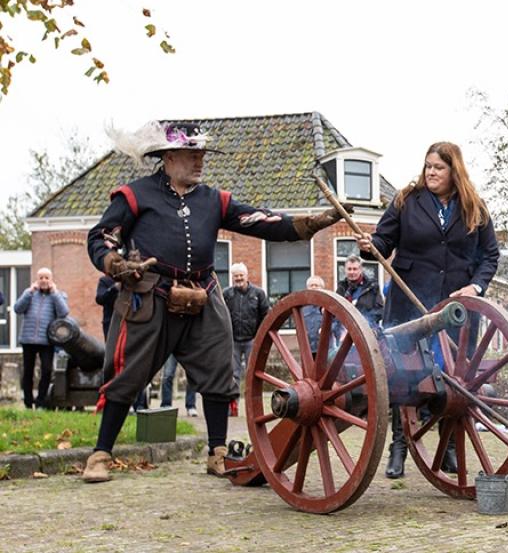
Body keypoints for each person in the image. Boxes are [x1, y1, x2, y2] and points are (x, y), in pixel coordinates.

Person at [80, 121, 346, 483]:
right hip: (150, 296)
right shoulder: (135, 195)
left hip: (203, 295)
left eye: (201, 155)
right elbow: (101, 237)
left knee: (220, 372)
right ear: (169, 157)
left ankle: (217, 453)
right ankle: (100, 454)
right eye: (192, 155)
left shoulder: (213, 199)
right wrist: (116, 264)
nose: (200, 162)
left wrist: (312, 223)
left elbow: (261, 221)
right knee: (128, 374)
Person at [357, 141, 499, 480]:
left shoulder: (474, 207)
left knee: (451, 380)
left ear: (454, 171)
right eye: (428, 166)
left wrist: (475, 287)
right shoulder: (407, 201)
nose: (431, 173)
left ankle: (449, 447)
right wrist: (371, 247)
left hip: (455, 309)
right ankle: (399, 447)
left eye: (438, 167)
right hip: (409, 304)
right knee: (403, 377)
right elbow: (383, 242)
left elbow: (489, 256)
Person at [14, 268, 69, 409]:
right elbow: (17, 309)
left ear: (51, 280)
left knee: (46, 371)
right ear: (37, 280)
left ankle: (40, 402)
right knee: (28, 372)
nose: (44, 280)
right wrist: (28, 292)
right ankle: (27, 402)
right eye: (41, 278)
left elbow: (63, 313)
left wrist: (55, 293)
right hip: (28, 340)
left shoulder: (58, 295)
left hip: (46, 341)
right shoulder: (29, 294)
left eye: (46, 278)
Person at [223, 262, 270, 415]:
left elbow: (266, 316)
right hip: (233, 341)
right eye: (235, 276)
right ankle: (233, 407)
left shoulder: (258, 293)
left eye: (241, 275)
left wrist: (260, 337)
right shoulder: (227, 294)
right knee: (233, 374)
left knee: (253, 374)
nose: (238, 279)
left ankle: (253, 409)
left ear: (246, 275)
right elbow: (221, 315)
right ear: (232, 277)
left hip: (252, 340)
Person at [97, 275, 149, 411]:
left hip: (133, 324)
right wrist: (114, 288)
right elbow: (100, 299)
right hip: (112, 327)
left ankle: (139, 403)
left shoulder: (138, 279)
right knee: (113, 363)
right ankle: (114, 402)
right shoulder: (105, 281)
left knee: (135, 362)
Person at [336, 256, 383, 333]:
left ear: (360, 270)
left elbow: (379, 311)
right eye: (349, 269)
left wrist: (364, 321)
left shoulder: (372, 287)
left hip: (368, 330)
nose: (352, 272)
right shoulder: (341, 288)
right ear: (345, 270)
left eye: (355, 269)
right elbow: (335, 311)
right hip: (345, 331)